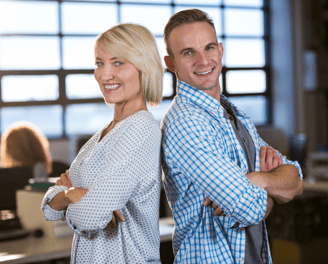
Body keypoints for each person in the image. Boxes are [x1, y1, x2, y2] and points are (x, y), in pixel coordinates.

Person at [161, 9, 303, 264]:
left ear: (221, 51)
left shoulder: (231, 114)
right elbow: (248, 208)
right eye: (188, 52)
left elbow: (295, 181)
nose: (203, 61)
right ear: (171, 64)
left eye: (209, 47)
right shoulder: (185, 122)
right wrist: (272, 186)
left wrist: (255, 179)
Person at [41, 23, 163, 264]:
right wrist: (71, 195)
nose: (105, 74)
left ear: (144, 66)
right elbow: (49, 207)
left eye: (118, 62)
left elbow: (89, 219)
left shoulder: (140, 129)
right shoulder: (104, 134)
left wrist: (74, 194)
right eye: (99, 63)